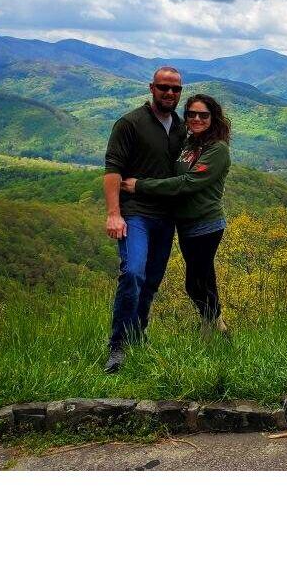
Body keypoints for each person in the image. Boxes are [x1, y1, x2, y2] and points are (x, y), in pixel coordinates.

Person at [121, 92, 231, 334]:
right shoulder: (191, 143)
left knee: (197, 280)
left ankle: (216, 327)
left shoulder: (217, 149)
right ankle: (213, 325)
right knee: (199, 281)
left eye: (203, 114)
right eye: (191, 114)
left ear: (213, 117)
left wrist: (140, 185)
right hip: (185, 224)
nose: (197, 118)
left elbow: (186, 183)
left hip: (206, 224)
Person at [102, 66, 185, 374]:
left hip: (167, 217)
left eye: (175, 89)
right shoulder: (129, 124)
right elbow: (112, 172)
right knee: (133, 272)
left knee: (150, 281)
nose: (170, 93)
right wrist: (114, 214)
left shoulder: (179, 126)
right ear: (151, 88)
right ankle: (118, 346)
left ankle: (137, 336)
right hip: (135, 213)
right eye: (164, 87)